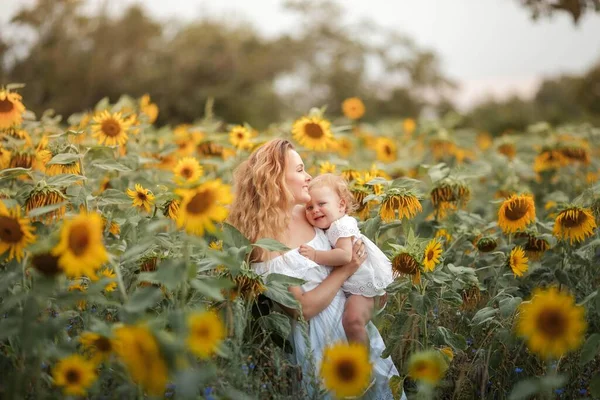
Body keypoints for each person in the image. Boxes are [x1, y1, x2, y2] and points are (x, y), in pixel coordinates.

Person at [228, 139, 402, 399]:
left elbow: (345, 243)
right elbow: (302, 309)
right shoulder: (261, 242)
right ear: (275, 179)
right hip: (318, 342)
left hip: (352, 326)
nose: (308, 177)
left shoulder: (308, 213)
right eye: (299, 170)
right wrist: (347, 268)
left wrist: (370, 285)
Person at [299, 173, 394, 345]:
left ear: (341, 205)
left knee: (352, 321)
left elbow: (345, 256)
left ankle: (361, 363)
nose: (315, 210)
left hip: (363, 288)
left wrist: (315, 255)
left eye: (321, 204)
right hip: (355, 288)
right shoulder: (330, 227)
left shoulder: (341, 225)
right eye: (309, 207)